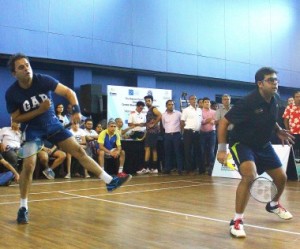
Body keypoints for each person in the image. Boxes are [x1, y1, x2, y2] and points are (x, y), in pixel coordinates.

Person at [5, 53, 131, 224]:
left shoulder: (43, 80)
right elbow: (17, 118)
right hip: (32, 129)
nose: (26, 69)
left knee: (79, 151)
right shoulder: (12, 93)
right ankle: (23, 207)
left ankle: (110, 181)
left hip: (52, 125)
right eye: (21, 67)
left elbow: (69, 92)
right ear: (14, 74)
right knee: (28, 165)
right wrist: (40, 110)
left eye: (27, 65)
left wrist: (77, 110)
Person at [217, 67, 294, 238]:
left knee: (282, 178)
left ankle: (273, 205)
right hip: (242, 143)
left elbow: (270, 118)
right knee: (249, 176)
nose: (275, 83)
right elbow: (223, 123)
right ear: (260, 84)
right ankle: (237, 221)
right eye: (270, 80)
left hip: (263, 144)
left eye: (276, 80)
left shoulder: (275, 98)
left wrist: (279, 129)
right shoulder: (248, 102)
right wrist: (222, 150)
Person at [137, 95, 162, 174]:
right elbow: (151, 120)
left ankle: (146, 168)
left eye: (149, 101)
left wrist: (154, 124)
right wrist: (144, 124)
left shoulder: (153, 108)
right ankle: (154, 168)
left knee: (147, 148)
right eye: (146, 101)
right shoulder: (149, 110)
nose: (147, 102)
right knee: (153, 149)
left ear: (152, 101)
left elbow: (160, 115)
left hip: (152, 132)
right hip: (152, 131)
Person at [181, 95, 202, 174]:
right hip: (188, 132)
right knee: (188, 151)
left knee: (198, 151)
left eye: (195, 99)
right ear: (189, 101)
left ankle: (199, 169)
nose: (194, 100)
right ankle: (189, 169)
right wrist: (182, 132)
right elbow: (182, 122)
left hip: (197, 133)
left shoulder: (200, 110)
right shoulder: (186, 110)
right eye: (192, 99)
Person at [161, 100, 183, 174]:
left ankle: (180, 169)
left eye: (172, 104)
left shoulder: (178, 113)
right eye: (169, 104)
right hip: (167, 135)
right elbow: (164, 125)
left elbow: (182, 124)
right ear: (166, 106)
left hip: (176, 135)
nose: (171, 106)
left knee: (178, 152)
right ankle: (167, 169)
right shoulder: (163, 115)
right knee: (167, 153)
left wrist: (181, 133)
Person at [200, 97, 216, 175]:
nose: (207, 103)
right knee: (202, 151)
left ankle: (211, 169)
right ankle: (202, 169)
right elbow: (200, 121)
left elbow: (215, 121)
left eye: (208, 102)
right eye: (205, 102)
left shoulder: (214, 112)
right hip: (202, 133)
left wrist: (211, 120)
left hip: (212, 133)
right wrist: (207, 120)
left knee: (211, 151)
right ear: (203, 103)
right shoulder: (199, 112)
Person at [282, 91, 300, 159]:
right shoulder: (289, 107)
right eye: (297, 97)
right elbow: (285, 120)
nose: (299, 98)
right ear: (294, 98)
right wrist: (288, 130)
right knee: (293, 150)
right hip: (292, 132)